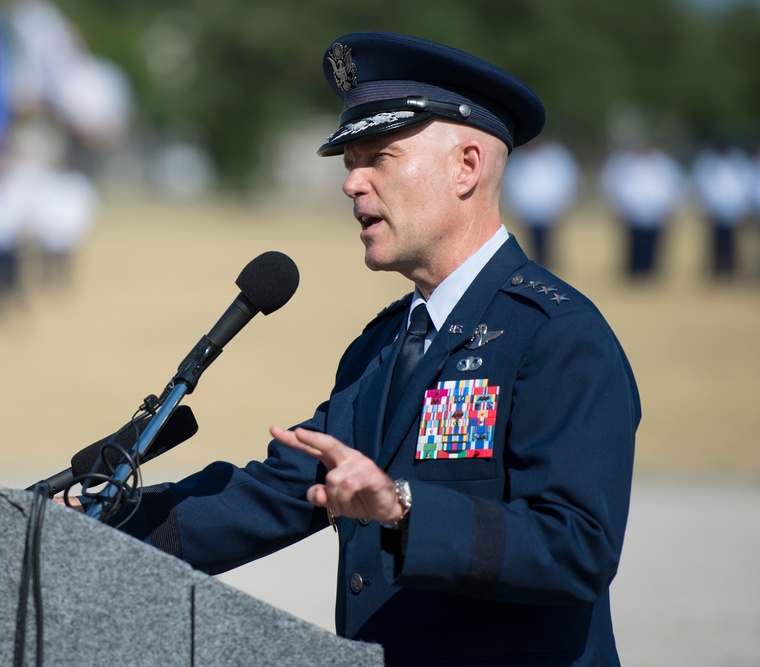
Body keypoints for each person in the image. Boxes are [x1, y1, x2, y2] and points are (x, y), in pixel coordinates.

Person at [88, 33, 640, 666]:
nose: (352, 184)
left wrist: (405, 509)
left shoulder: (557, 337)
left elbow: (576, 549)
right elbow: (277, 492)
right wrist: (81, 532)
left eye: (378, 156)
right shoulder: (385, 344)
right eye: (349, 161)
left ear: (466, 167)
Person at [599, 139, 684, 279]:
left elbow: (676, 186)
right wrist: (616, 208)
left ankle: (651, 274)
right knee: (634, 246)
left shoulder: (664, 164)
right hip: (631, 212)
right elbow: (610, 185)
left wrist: (672, 208)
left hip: (656, 213)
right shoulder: (624, 163)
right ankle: (634, 274)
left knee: (654, 246)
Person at [501, 137, 581, 267]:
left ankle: (549, 265)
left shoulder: (556, 157)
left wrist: (563, 203)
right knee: (532, 242)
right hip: (528, 210)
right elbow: (511, 184)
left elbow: (567, 179)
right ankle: (535, 264)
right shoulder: (520, 160)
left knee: (549, 242)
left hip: (550, 208)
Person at [690, 142, 754, 278]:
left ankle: (731, 269)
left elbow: (746, 184)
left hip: (734, 209)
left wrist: (744, 207)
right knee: (715, 241)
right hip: (714, 209)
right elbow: (701, 184)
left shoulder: (739, 162)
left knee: (732, 242)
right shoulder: (709, 162)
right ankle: (716, 269)